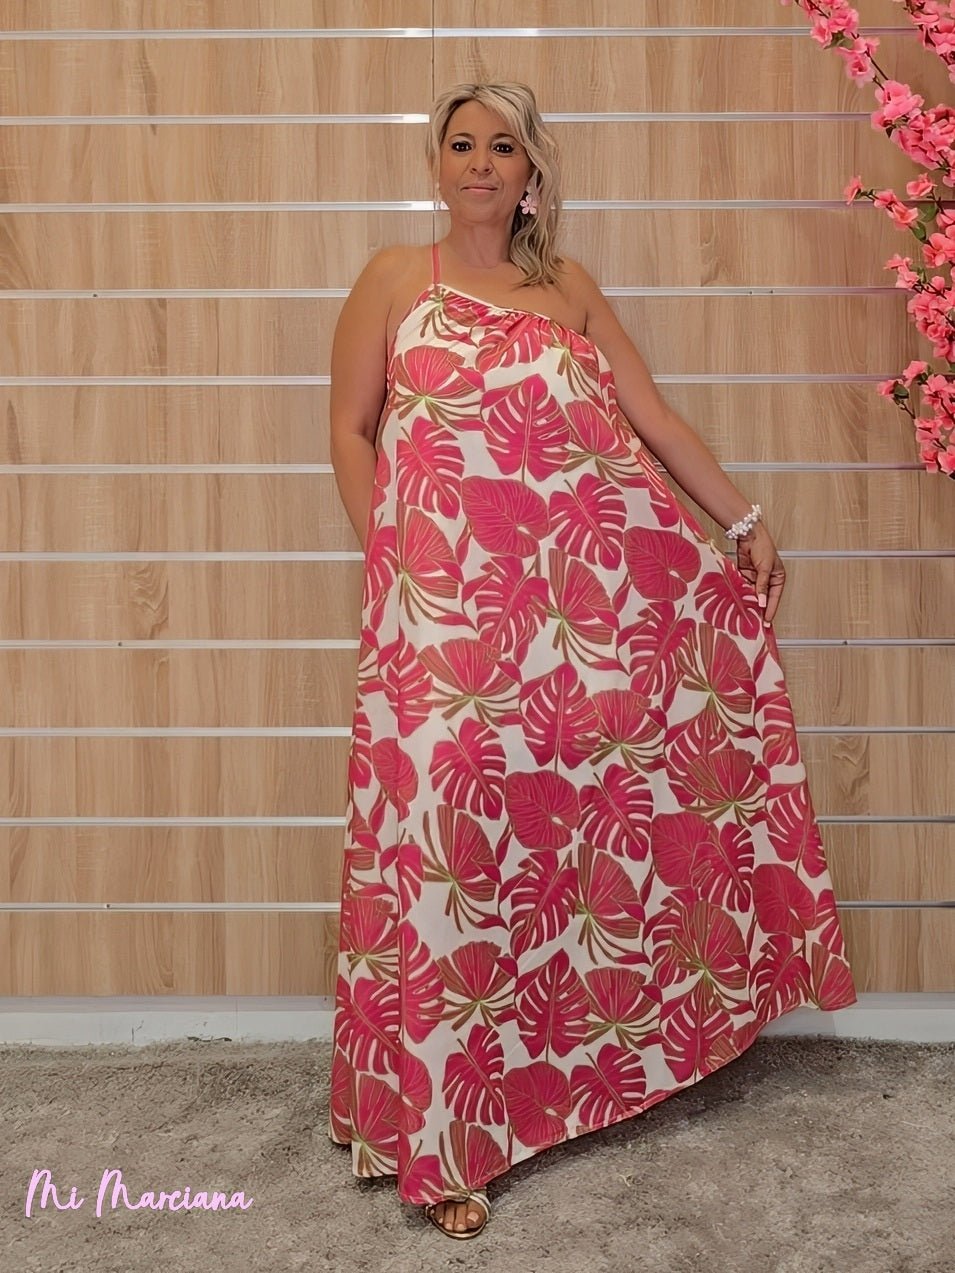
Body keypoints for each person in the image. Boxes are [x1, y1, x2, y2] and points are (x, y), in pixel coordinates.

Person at [327, 80, 858, 1240]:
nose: (478, 162)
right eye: (460, 144)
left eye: (501, 147)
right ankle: (441, 1132)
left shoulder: (566, 288)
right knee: (446, 848)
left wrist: (740, 519)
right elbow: (350, 429)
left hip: (569, 623)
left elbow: (650, 420)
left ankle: (551, 1086)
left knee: (556, 841)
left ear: (531, 173)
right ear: (437, 164)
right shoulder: (393, 279)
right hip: (441, 616)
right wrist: (394, 564)